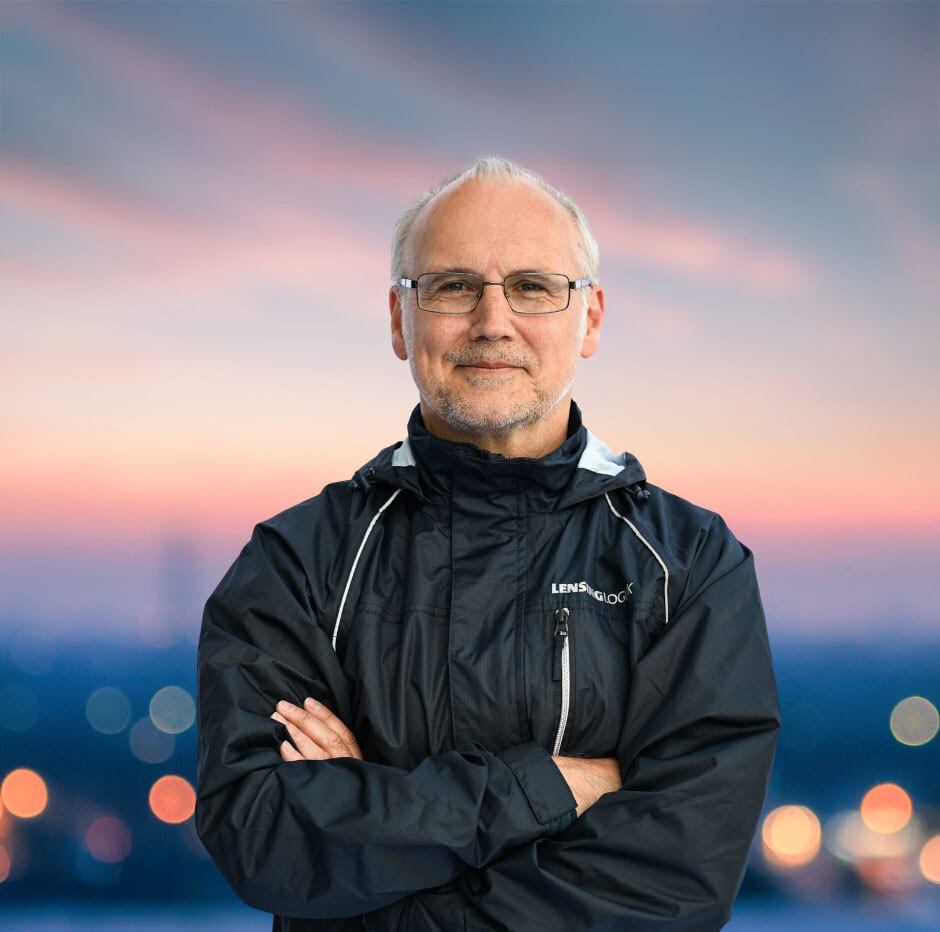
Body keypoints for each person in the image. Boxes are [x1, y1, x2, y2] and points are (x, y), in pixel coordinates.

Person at [196, 156, 780, 931]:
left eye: (533, 286)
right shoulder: (300, 562)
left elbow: (674, 884)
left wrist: (374, 832)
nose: (492, 321)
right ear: (401, 321)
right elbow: (266, 838)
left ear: (592, 318)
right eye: (452, 285)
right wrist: (549, 790)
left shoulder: (689, 566)